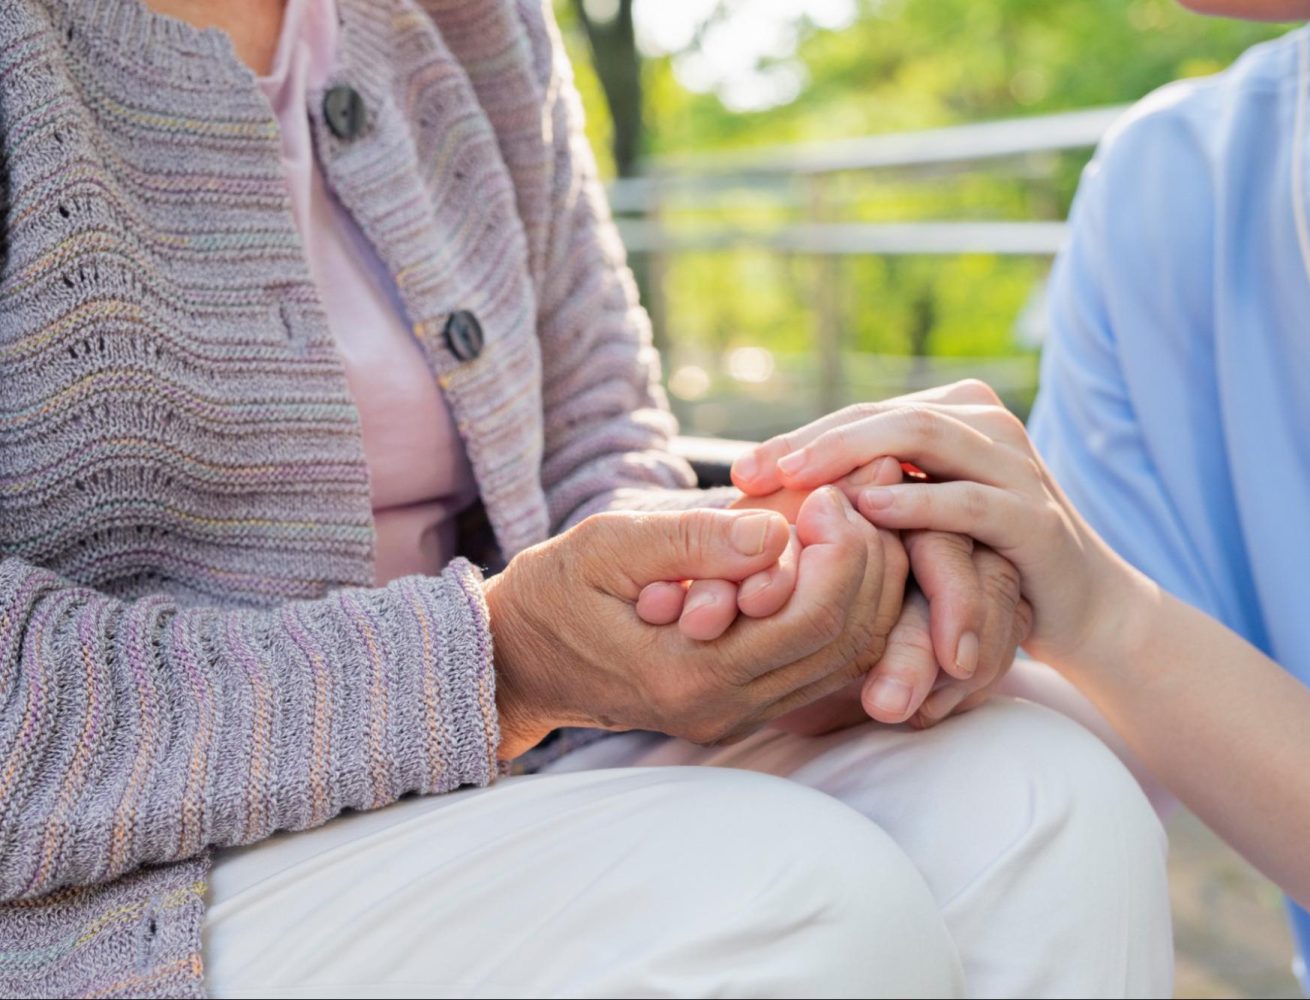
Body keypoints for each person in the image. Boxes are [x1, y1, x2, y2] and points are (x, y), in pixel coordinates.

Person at [0, 1, 1171, 996]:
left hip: (520, 764)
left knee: (1048, 798)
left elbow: (602, 420)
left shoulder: (475, 23)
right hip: (119, 870)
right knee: (794, 905)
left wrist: (752, 604)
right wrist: (503, 663)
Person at [730, 0, 1310, 996]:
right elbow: (1112, 713)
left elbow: (1122, 636)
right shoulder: (1175, 188)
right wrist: (887, 619)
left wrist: (1110, 617)